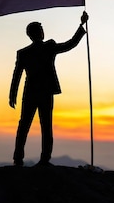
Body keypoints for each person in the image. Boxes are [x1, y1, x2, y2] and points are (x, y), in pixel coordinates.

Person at [9, 11, 89, 166]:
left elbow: (69, 44)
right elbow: (70, 44)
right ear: (34, 34)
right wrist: (12, 94)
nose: (42, 33)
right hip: (40, 92)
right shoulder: (39, 50)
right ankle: (30, 159)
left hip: (35, 92)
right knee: (37, 125)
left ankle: (28, 159)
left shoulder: (31, 51)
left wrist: (81, 26)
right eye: (39, 30)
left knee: (33, 125)